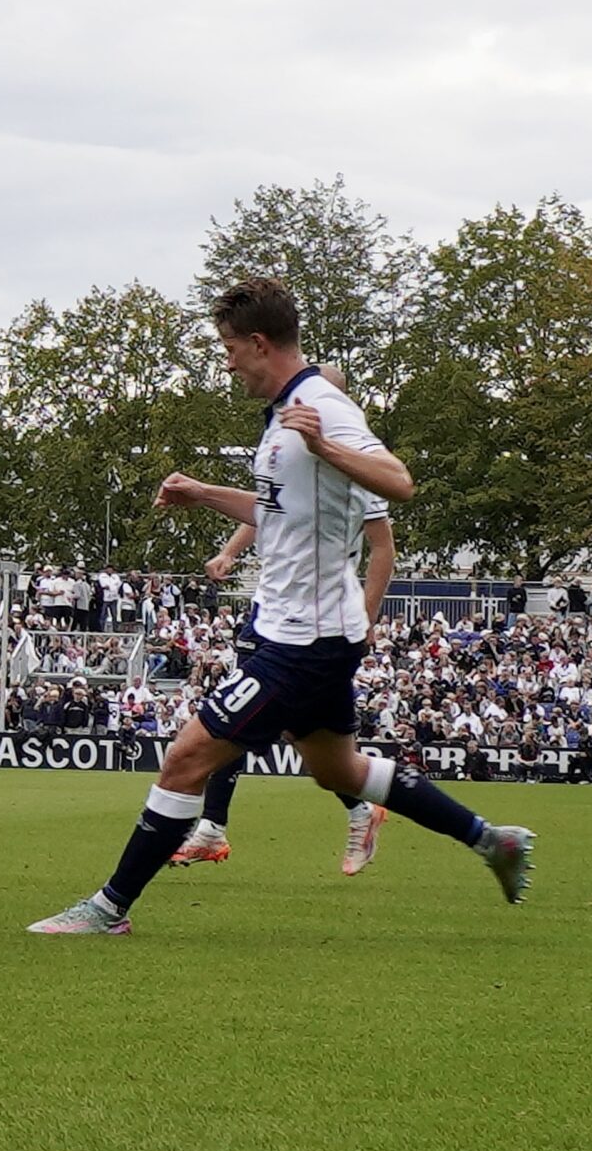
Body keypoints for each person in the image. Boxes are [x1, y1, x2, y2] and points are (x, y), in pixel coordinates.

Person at [28, 277, 534, 935]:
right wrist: (203, 492)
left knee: (185, 758)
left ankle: (109, 909)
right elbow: (275, 515)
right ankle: (494, 841)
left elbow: (400, 482)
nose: (228, 362)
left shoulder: (322, 408)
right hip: (302, 632)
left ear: (260, 343)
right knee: (338, 770)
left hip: (304, 641)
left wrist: (325, 444)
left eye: (230, 349)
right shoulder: (282, 415)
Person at [174, 362, 397, 877]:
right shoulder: (291, 452)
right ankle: (217, 825)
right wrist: (230, 552)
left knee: (260, 725)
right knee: (281, 728)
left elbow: (383, 549)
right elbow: (270, 511)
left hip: (315, 622)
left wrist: (365, 618)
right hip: (274, 613)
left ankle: (214, 826)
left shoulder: (353, 461)